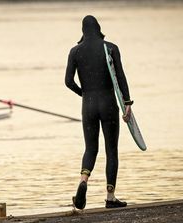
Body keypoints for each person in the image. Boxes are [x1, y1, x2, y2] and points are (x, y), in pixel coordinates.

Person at [65, 15, 133, 209]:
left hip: (88, 105)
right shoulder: (110, 48)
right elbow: (120, 76)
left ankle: (83, 181)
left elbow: (68, 81)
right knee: (111, 150)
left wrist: (84, 94)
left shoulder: (75, 51)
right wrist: (127, 102)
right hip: (108, 103)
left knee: (90, 148)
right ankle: (110, 197)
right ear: (99, 29)